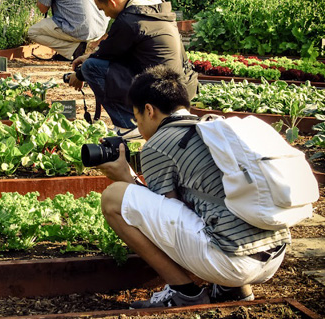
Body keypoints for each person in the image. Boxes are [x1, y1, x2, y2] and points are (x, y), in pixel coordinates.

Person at [97, 66, 289, 308]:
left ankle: (184, 292)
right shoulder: (210, 131)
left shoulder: (158, 143)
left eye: (137, 119)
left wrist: (125, 177)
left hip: (232, 264)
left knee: (114, 198)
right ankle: (234, 291)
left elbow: (164, 219)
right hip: (274, 256)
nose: (139, 128)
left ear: (149, 110)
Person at [66, 0, 197, 140]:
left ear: (112, 2)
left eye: (103, 9)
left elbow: (105, 55)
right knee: (94, 62)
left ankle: (128, 126)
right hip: (182, 88)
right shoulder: (155, 8)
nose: (106, 15)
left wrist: (78, 75)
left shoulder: (129, 20)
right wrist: (90, 55)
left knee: (90, 67)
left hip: (158, 93)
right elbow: (113, 49)